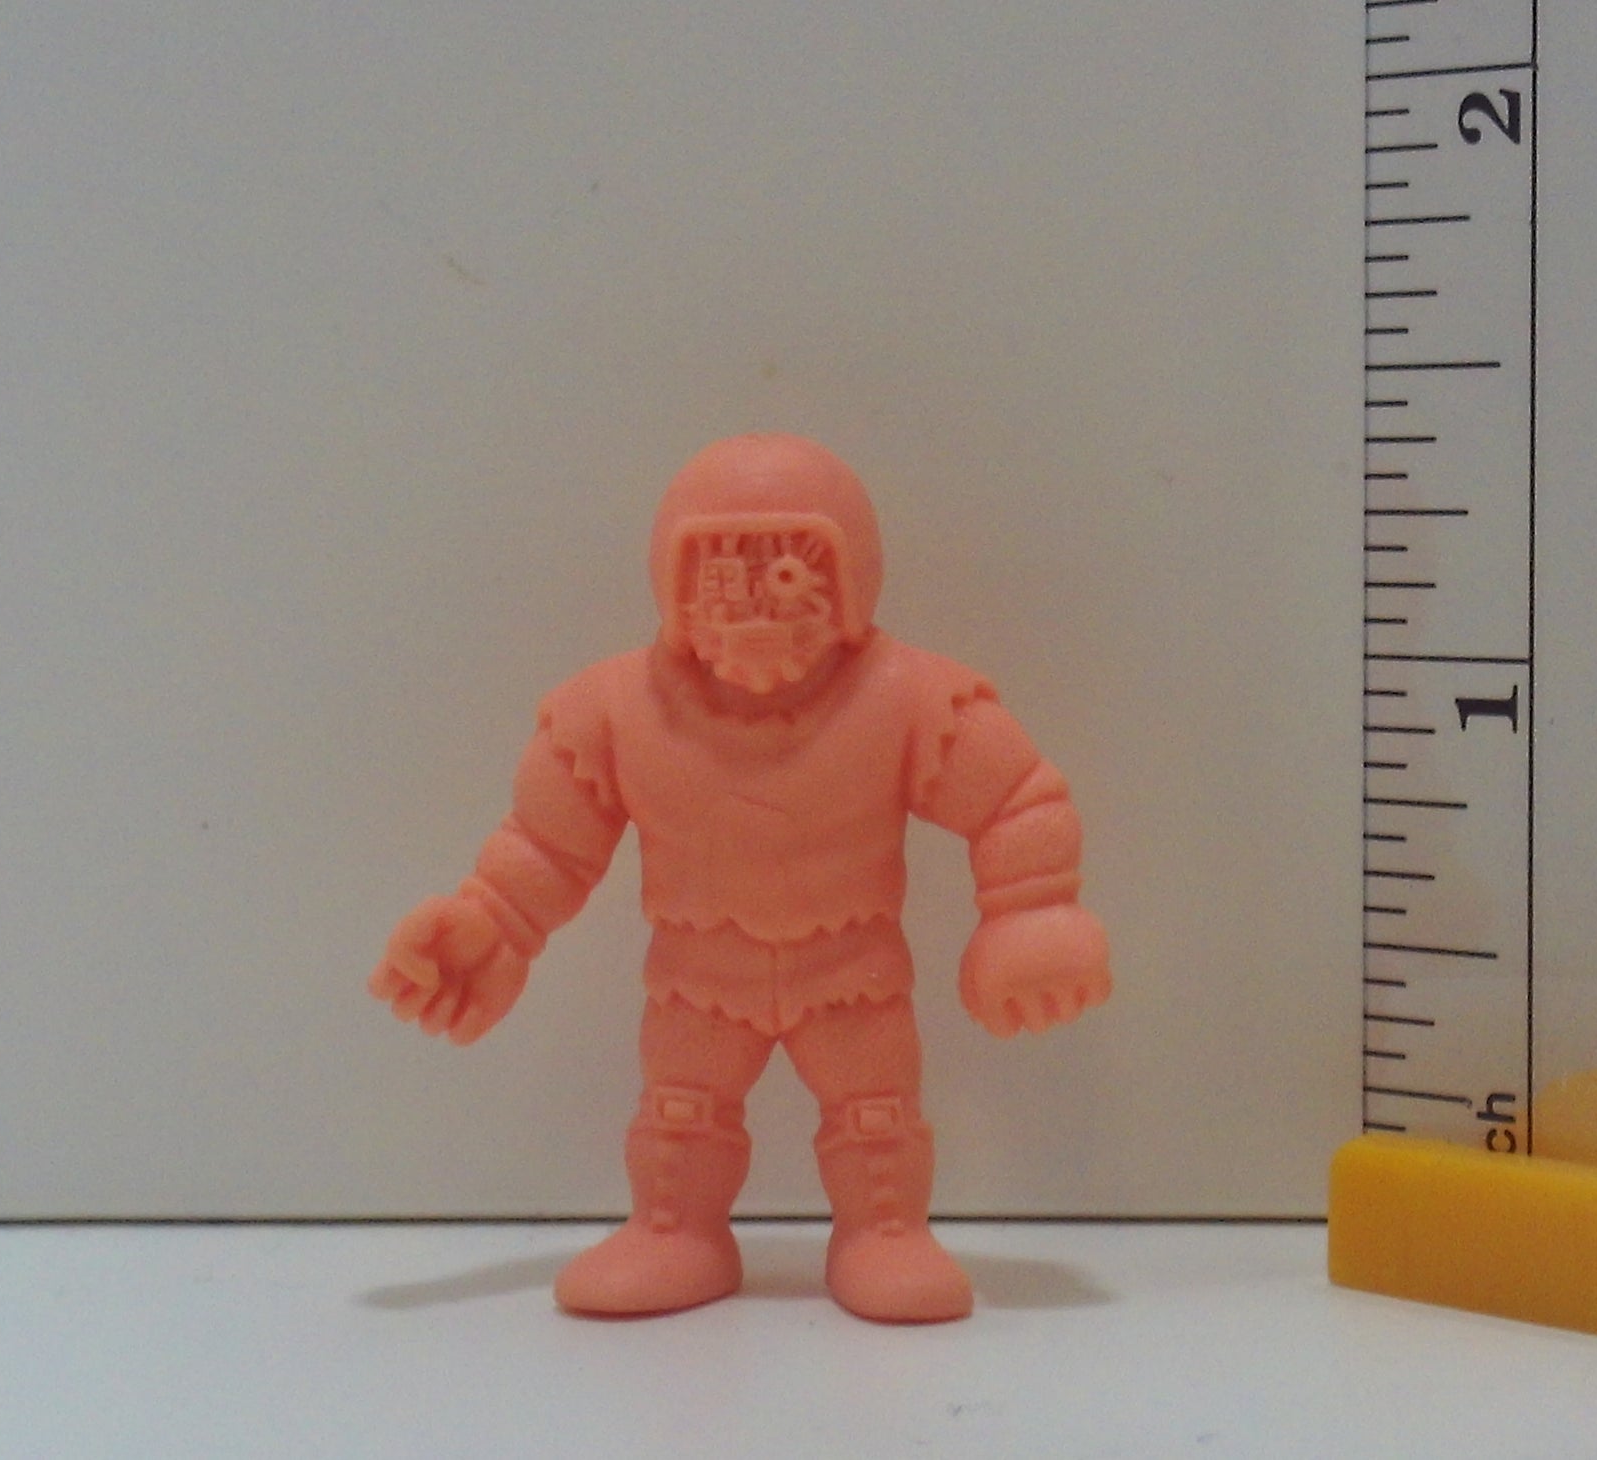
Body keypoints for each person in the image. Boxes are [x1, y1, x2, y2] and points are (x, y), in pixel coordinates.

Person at [369, 433, 1110, 1322]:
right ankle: (675, 1230)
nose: (761, 600)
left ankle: (884, 1232)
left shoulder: (909, 698)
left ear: (852, 577)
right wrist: (493, 922)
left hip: (854, 972)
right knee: (681, 1111)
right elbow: (549, 844)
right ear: (672, 579)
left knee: (875, 1112)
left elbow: (1016, 799)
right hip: (697, 977)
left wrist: (1029, 912)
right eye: (723, 570)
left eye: (793, 567)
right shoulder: (614, 710)